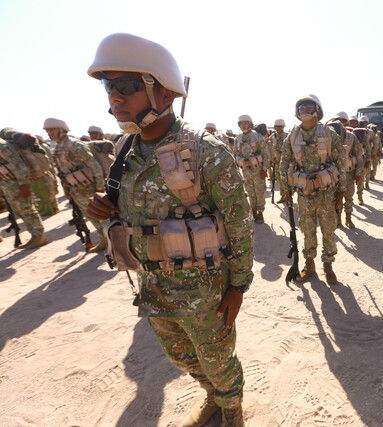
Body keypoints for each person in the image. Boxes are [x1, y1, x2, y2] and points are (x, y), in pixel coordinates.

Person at [85, 33, 252, 426]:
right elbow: (126, 219)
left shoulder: (205, 150)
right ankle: (214, 394)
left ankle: (231, 410)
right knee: (180, 356)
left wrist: (238, 286)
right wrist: (103, 210)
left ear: (165, 93)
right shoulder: (124, 153)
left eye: (125, 86)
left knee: (218, 358)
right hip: (154, 286)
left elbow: (240, 223)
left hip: (205, 291)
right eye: (110, 87)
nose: (115, 97)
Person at [279, 94, 345, 284]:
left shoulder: (329, 135)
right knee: (307, 231)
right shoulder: (292, 136)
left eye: (308, 106)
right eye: (301, 108)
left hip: (326, 193)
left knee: (328, 231)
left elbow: (341, 162)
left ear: (317, 111)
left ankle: (328, 265)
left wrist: (341, 190)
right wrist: (285, 190)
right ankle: (309, 264)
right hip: (304, 194)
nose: (304, 110)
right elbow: (283, 164)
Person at [44, 117, 108, 252]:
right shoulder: (57, 148)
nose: (50, 133)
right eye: (48, 131)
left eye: (52, 130)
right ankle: (104, 240)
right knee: (91, 216)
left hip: (90, 188)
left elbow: (95, 166)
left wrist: (100, 188)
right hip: (77, 190)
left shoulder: (75, 145)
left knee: (102, 217)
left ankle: (114, 242)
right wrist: (67, 190)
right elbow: (62, 173)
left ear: (62, 130)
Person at [0, 131, 48, 249]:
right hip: (7, 183)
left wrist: (23, 185)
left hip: (17, 183)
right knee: (19, 210)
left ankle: (40, 235)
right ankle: (34, 235)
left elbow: (18, 164)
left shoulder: (2, 145)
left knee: (27, 208)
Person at [234, 114, 269, 224]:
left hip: (258, 170)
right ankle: (253, 211)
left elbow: (266, 154)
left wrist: (264, 169)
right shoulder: (238, 138)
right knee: (249, 191)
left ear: (250, 124)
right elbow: (235, 153)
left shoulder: (258, 136)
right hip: (246, 170)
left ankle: (260, 213)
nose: (244, 125)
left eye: (246, 123)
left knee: (259, 191)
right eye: (241, 123)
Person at [333, 111, 364, 228]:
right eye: (337, 121)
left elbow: (359, 156)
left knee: (348, 197)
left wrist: (358, 174)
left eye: (342, 121)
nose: (340, 123)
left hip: (349, 174)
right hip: (334, 175)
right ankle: (338, 219)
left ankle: (348, 219)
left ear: (346, 123)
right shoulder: (330, 137)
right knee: (336, 198)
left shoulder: (351, 137)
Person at [349, 115, 370, 204]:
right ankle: (349, 200)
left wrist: (368, 160)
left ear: (357, 123)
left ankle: (360, 196)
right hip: (349, 162)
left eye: (354, 122)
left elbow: (367, 146)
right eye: (351, 122)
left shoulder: (361, 133)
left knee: (360, 180)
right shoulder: (345, 132)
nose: (352, 124)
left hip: (360, 160)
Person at [270, 119, 289, 203]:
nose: (278, 128)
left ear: (283, 127)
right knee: (280, 179)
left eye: (279, 127)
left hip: (286, 162)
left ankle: (289, 195)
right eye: (276, 127)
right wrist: (271, 159)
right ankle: (283, 195)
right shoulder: (272, 137)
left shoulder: (288, 136)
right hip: (277, 162)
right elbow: (270, 149)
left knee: (288, 179)